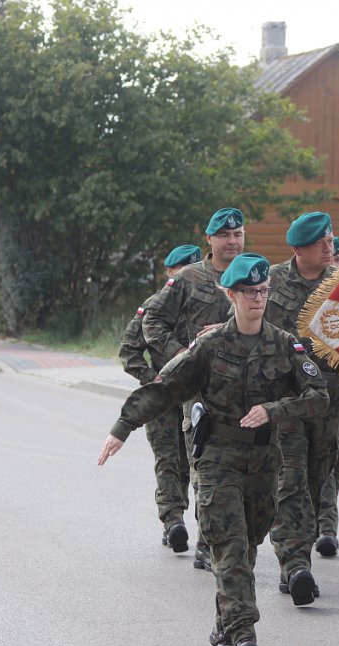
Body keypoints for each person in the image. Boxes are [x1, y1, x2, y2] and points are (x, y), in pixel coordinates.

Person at [99, 253, 329, 646]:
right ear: (231, 295)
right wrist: (122, 426)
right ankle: (244, 634)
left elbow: (319, 396)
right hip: (217, 459)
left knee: (251, 542)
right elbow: (165, 387)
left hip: (263, 460)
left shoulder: (285, 344)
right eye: (248, 292)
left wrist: (274, 410)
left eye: (262, 291)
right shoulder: (208, 345)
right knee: (230, 548)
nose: (257, 298)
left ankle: (224, 624)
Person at [143, 208, 244, 571]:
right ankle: (208, 542)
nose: (232, 242)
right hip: (200, 393)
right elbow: (151, 320)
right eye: (225, 236)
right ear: (210, 239)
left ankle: (227, 539)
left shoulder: (252, 274)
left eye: (238, 235)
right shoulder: (189, 278)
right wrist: (183, 356)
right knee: (205, 466)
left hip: (246, 393)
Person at [264, 211, 339, 602]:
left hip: (332, 402)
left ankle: (301, 546)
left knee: (319, 479)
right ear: (298, 249)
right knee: (290, 479)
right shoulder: (272, 281)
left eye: (330, 241)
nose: (328, 248)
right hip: (287, 401)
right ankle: (294, 563)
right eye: (320, 244)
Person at [118, 244, 203, 552]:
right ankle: (174, 521)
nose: (189, 276)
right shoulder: (155, 306)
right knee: (169, 460)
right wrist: (151, 378)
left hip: (197, 397)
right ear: (170, 272)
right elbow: (128, 350)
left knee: (199, 462)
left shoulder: (207, 304)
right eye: (183, 270)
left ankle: (206, 531)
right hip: (164, 398)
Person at [315, 233, 339, 557]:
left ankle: (323, 518)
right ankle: (325, 526)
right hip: (308, 394)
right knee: (309, 467)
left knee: (334, 463)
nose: (335, 263)